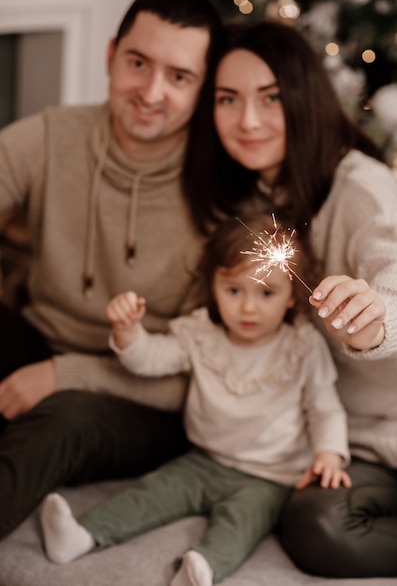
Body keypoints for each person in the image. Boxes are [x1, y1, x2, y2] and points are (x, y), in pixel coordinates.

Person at [183, 19, 397, 578]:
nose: (248, 121)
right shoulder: (249, 198)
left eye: (270, 99)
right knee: (315, 527)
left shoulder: (365, 187)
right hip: (347, 442)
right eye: (228, 99)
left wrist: (377, 318)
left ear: (305, 99)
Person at [0, 0, 222, 539]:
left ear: (202, 88)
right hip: (38, 338)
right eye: (138, 62)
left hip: (146, 393)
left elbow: (204, 376)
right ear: (109, 56)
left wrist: (62, 375)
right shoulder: (53, 135)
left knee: (60, 422)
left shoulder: (222, 194)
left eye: (179, 77)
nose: (150, 91)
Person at [40, 213, 350, 585]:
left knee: (241, 523)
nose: (248, 308)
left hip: (270, 475)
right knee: (152, 491)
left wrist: (329, 454)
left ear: (292, 298)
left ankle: (203, 566)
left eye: (266, 292)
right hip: (204, 459)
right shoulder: (201, 335)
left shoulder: (301, 346)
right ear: (214, 286)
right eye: (234, 290)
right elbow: (149, 360)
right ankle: (82, 535)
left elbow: (324, 406)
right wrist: (127, 332)